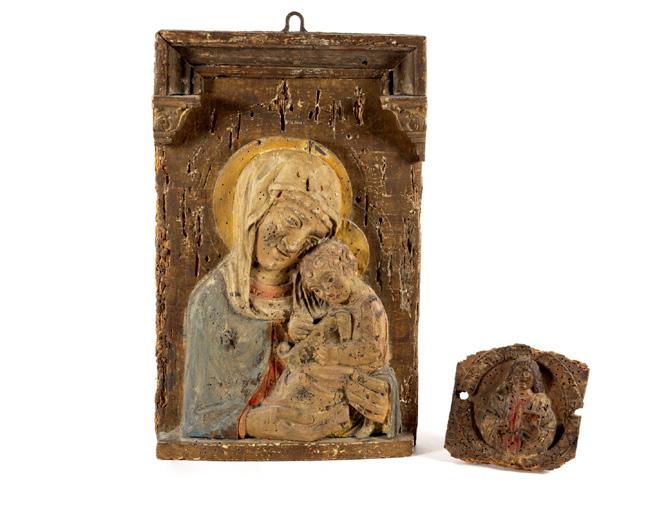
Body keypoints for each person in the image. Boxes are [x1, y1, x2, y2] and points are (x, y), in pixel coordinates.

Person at [181, 142, 394, 440]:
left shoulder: (325, 293)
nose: (294, 244)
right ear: (256, 207)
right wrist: (253, 424)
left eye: (312, 239)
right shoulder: (214, 299)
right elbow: (197, 416)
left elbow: (373, 358)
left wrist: (382, 403)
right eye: (292, 221)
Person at [242, 240, 400, 441]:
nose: (327, 292)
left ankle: (322, 419)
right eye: (317, 290)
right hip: (342, 363)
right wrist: (301, 330)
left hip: (364, 368)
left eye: (330, 279)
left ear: (348, 267)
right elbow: (319, 321)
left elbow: (372, 350)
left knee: (309, 375)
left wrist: (334, 354)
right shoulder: (341, 299)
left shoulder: (368, 305)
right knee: (302, 371)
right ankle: (282, 410)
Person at [476, 359, 557, 455]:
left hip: (528, 452)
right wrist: (498, 426)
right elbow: (487, 419)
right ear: (511, 377)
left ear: (535, 377)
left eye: (527, 373)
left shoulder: (541, 403)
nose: (523, 376)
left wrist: (538, 434)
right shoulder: (500, 400)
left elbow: (550, 428)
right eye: (518, 372)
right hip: (502, 450)